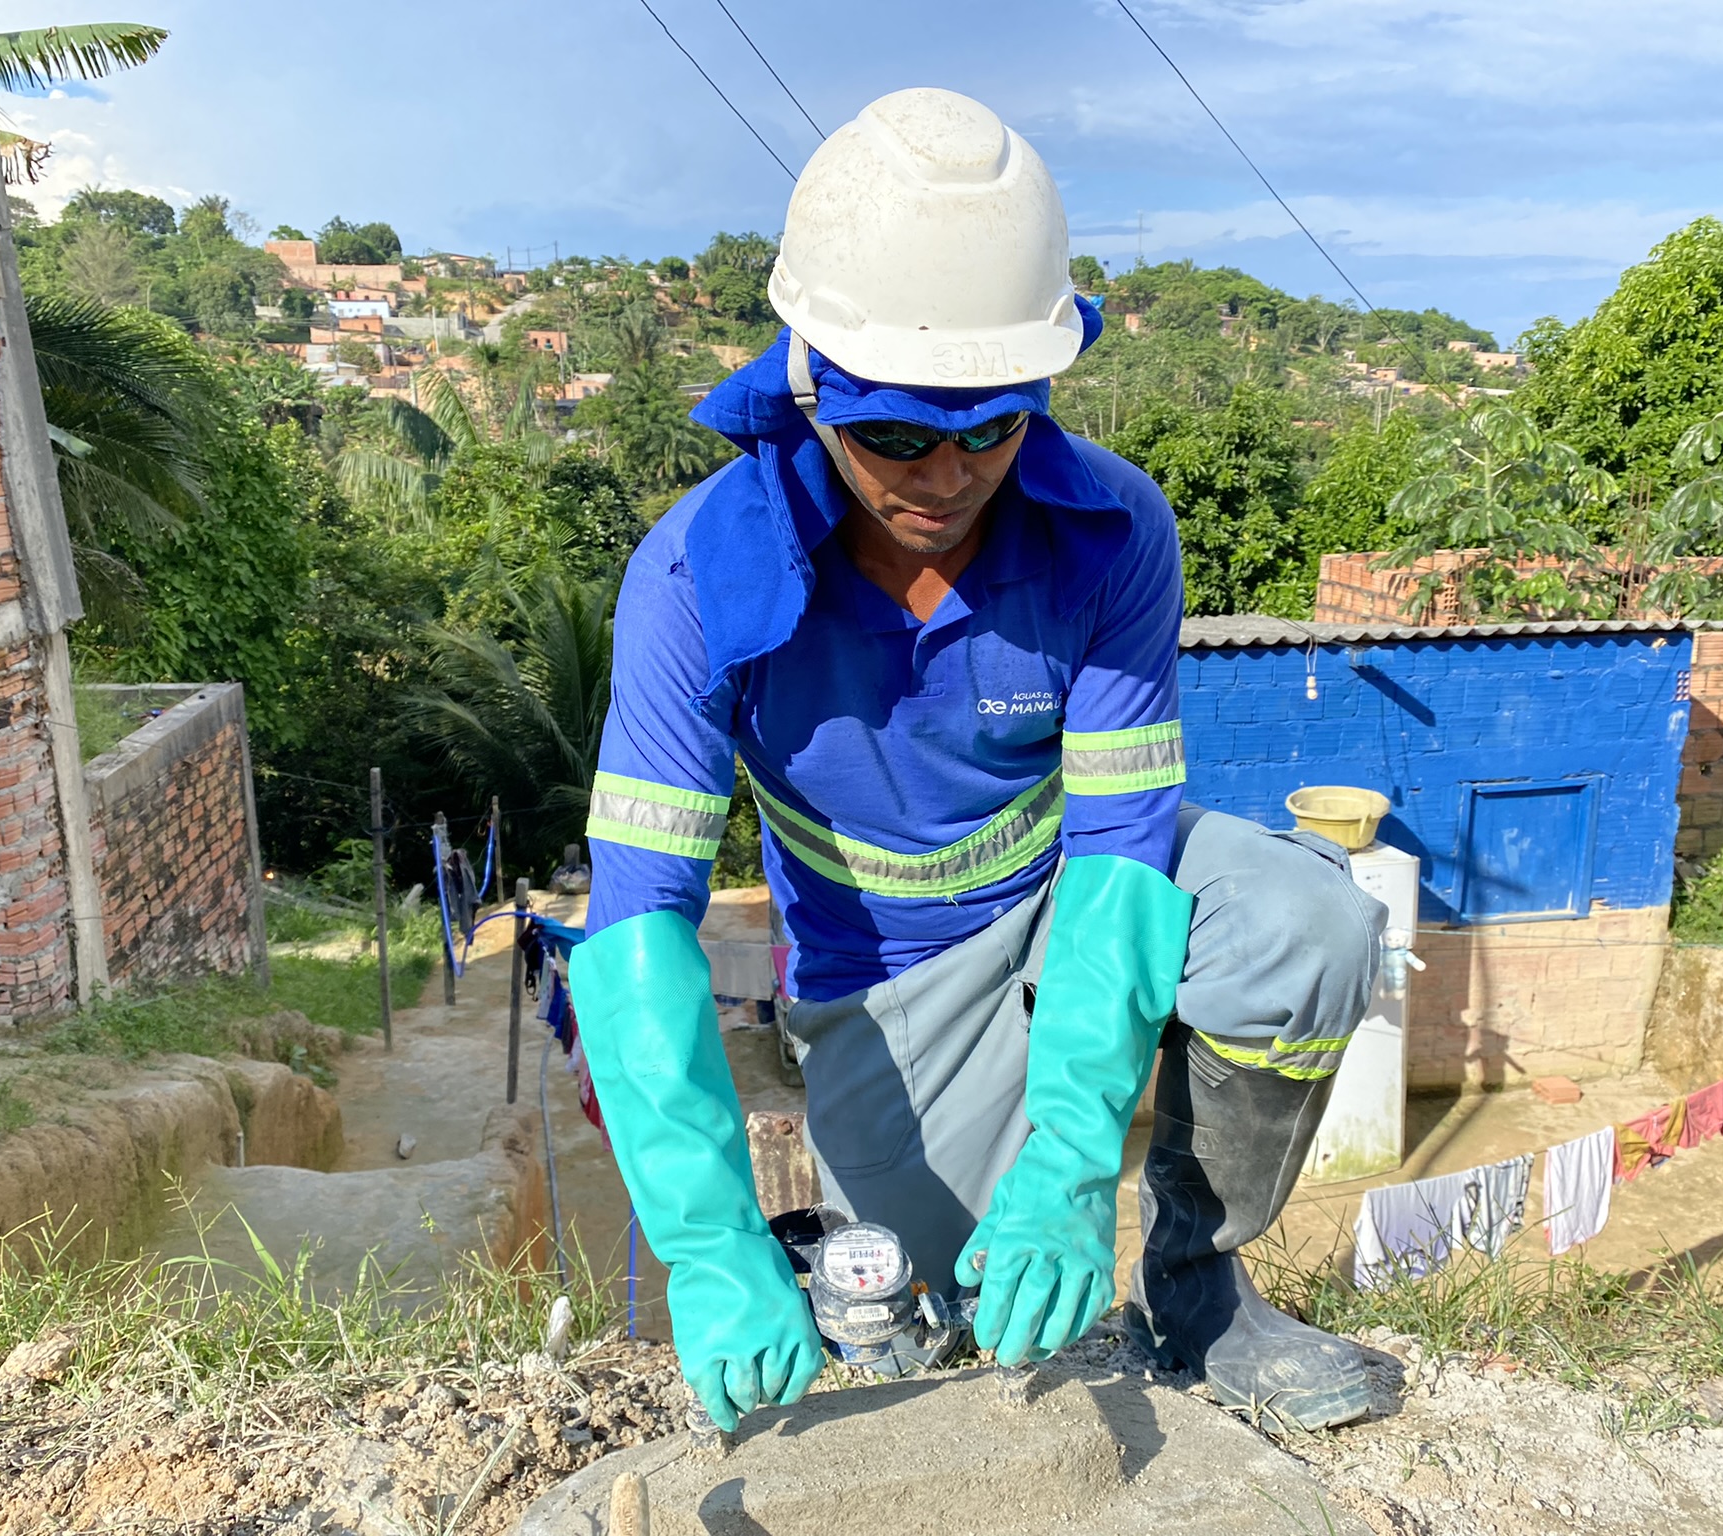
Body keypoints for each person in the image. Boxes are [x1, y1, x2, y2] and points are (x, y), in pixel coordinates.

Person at [568, 87, 1385, 1436]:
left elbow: (1123, 855)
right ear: (811, 378)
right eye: (896, 434)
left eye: (990, 427)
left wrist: (1071, 1166)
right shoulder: (697, 575)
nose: (945, 475)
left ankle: (1197, 1290)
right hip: (888, 975)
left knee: (1308, 925)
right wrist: (709, 1246)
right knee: (919, 1330)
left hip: (1069, 896)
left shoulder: (1112, 533)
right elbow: (638, 923)